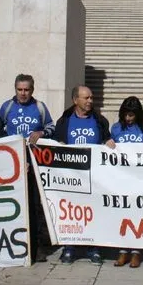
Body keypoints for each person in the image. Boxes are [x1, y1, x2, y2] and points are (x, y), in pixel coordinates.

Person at [49, 85, 114, 264]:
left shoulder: (100, 120)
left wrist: (108, 142)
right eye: (86, 98)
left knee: (93, 211)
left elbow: (106, 139)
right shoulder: (64, 121)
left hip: (93, 176)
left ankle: (94, 248)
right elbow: (56, 143)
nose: (90, 101)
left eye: (91, 98)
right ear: (75, 100)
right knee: (70, 212)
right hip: (70, 177)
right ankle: (69, 247)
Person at [0, 74, 54, 264]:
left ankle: (37, 248)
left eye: (26, 90)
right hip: (12, 162)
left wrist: (41, 132)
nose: (23, 93)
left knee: (35, 205)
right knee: (12, 203)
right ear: (15, 89)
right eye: (20, 89)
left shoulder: (39, 107)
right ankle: (12, 244)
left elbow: (51, 127)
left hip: (35, 162)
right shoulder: (7, 107)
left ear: (32, 90)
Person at [109, 96, 143, 268]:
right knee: (122, 214)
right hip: (120, 178)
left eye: (132, 115)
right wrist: (108, 143)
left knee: (137, 214)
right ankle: (122, 250)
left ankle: (136, 251)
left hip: (139, 178)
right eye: (126, 115)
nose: (128, 118)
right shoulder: (116, 128)